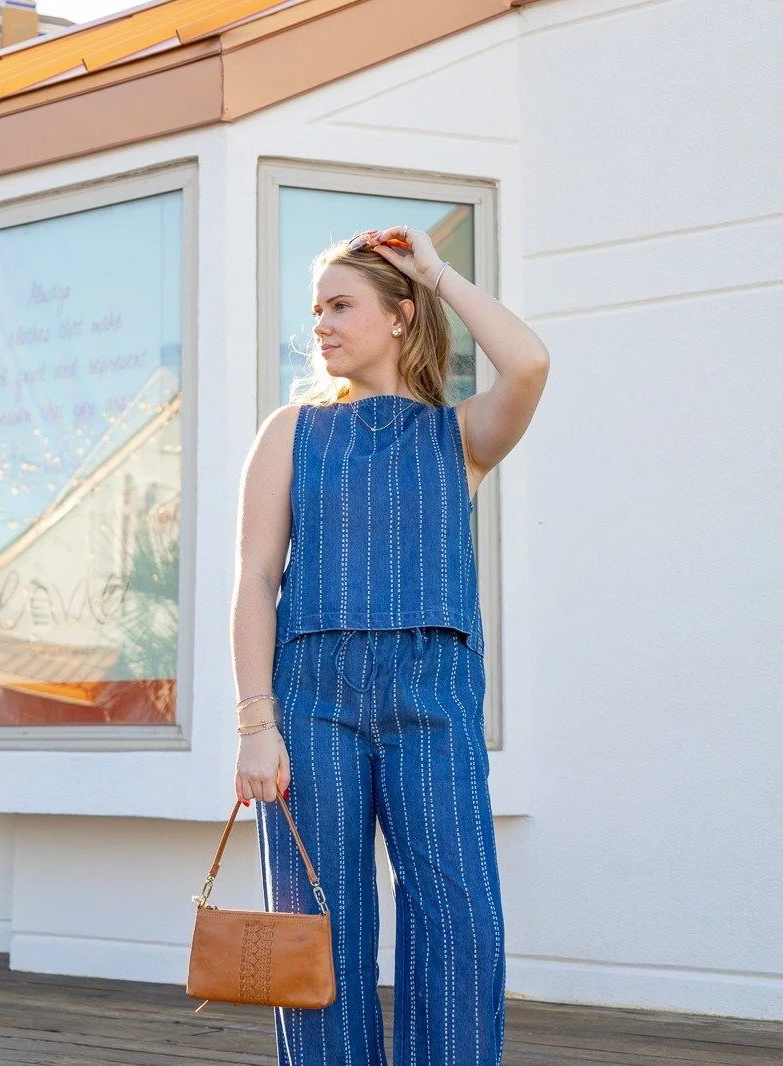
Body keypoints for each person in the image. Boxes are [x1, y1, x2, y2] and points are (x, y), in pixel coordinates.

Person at [230, 224, 549, 1065]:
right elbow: (256, 578)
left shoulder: (461, 436)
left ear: (400, 316)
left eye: (341, 306)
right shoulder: (290, 431)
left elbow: (529, 363)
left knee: (460, 917)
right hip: (311, 699)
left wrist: (438, 272)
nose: (322, 326)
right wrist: (255, 721)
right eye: (315, 310)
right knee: (316, 924)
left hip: (432, 695)